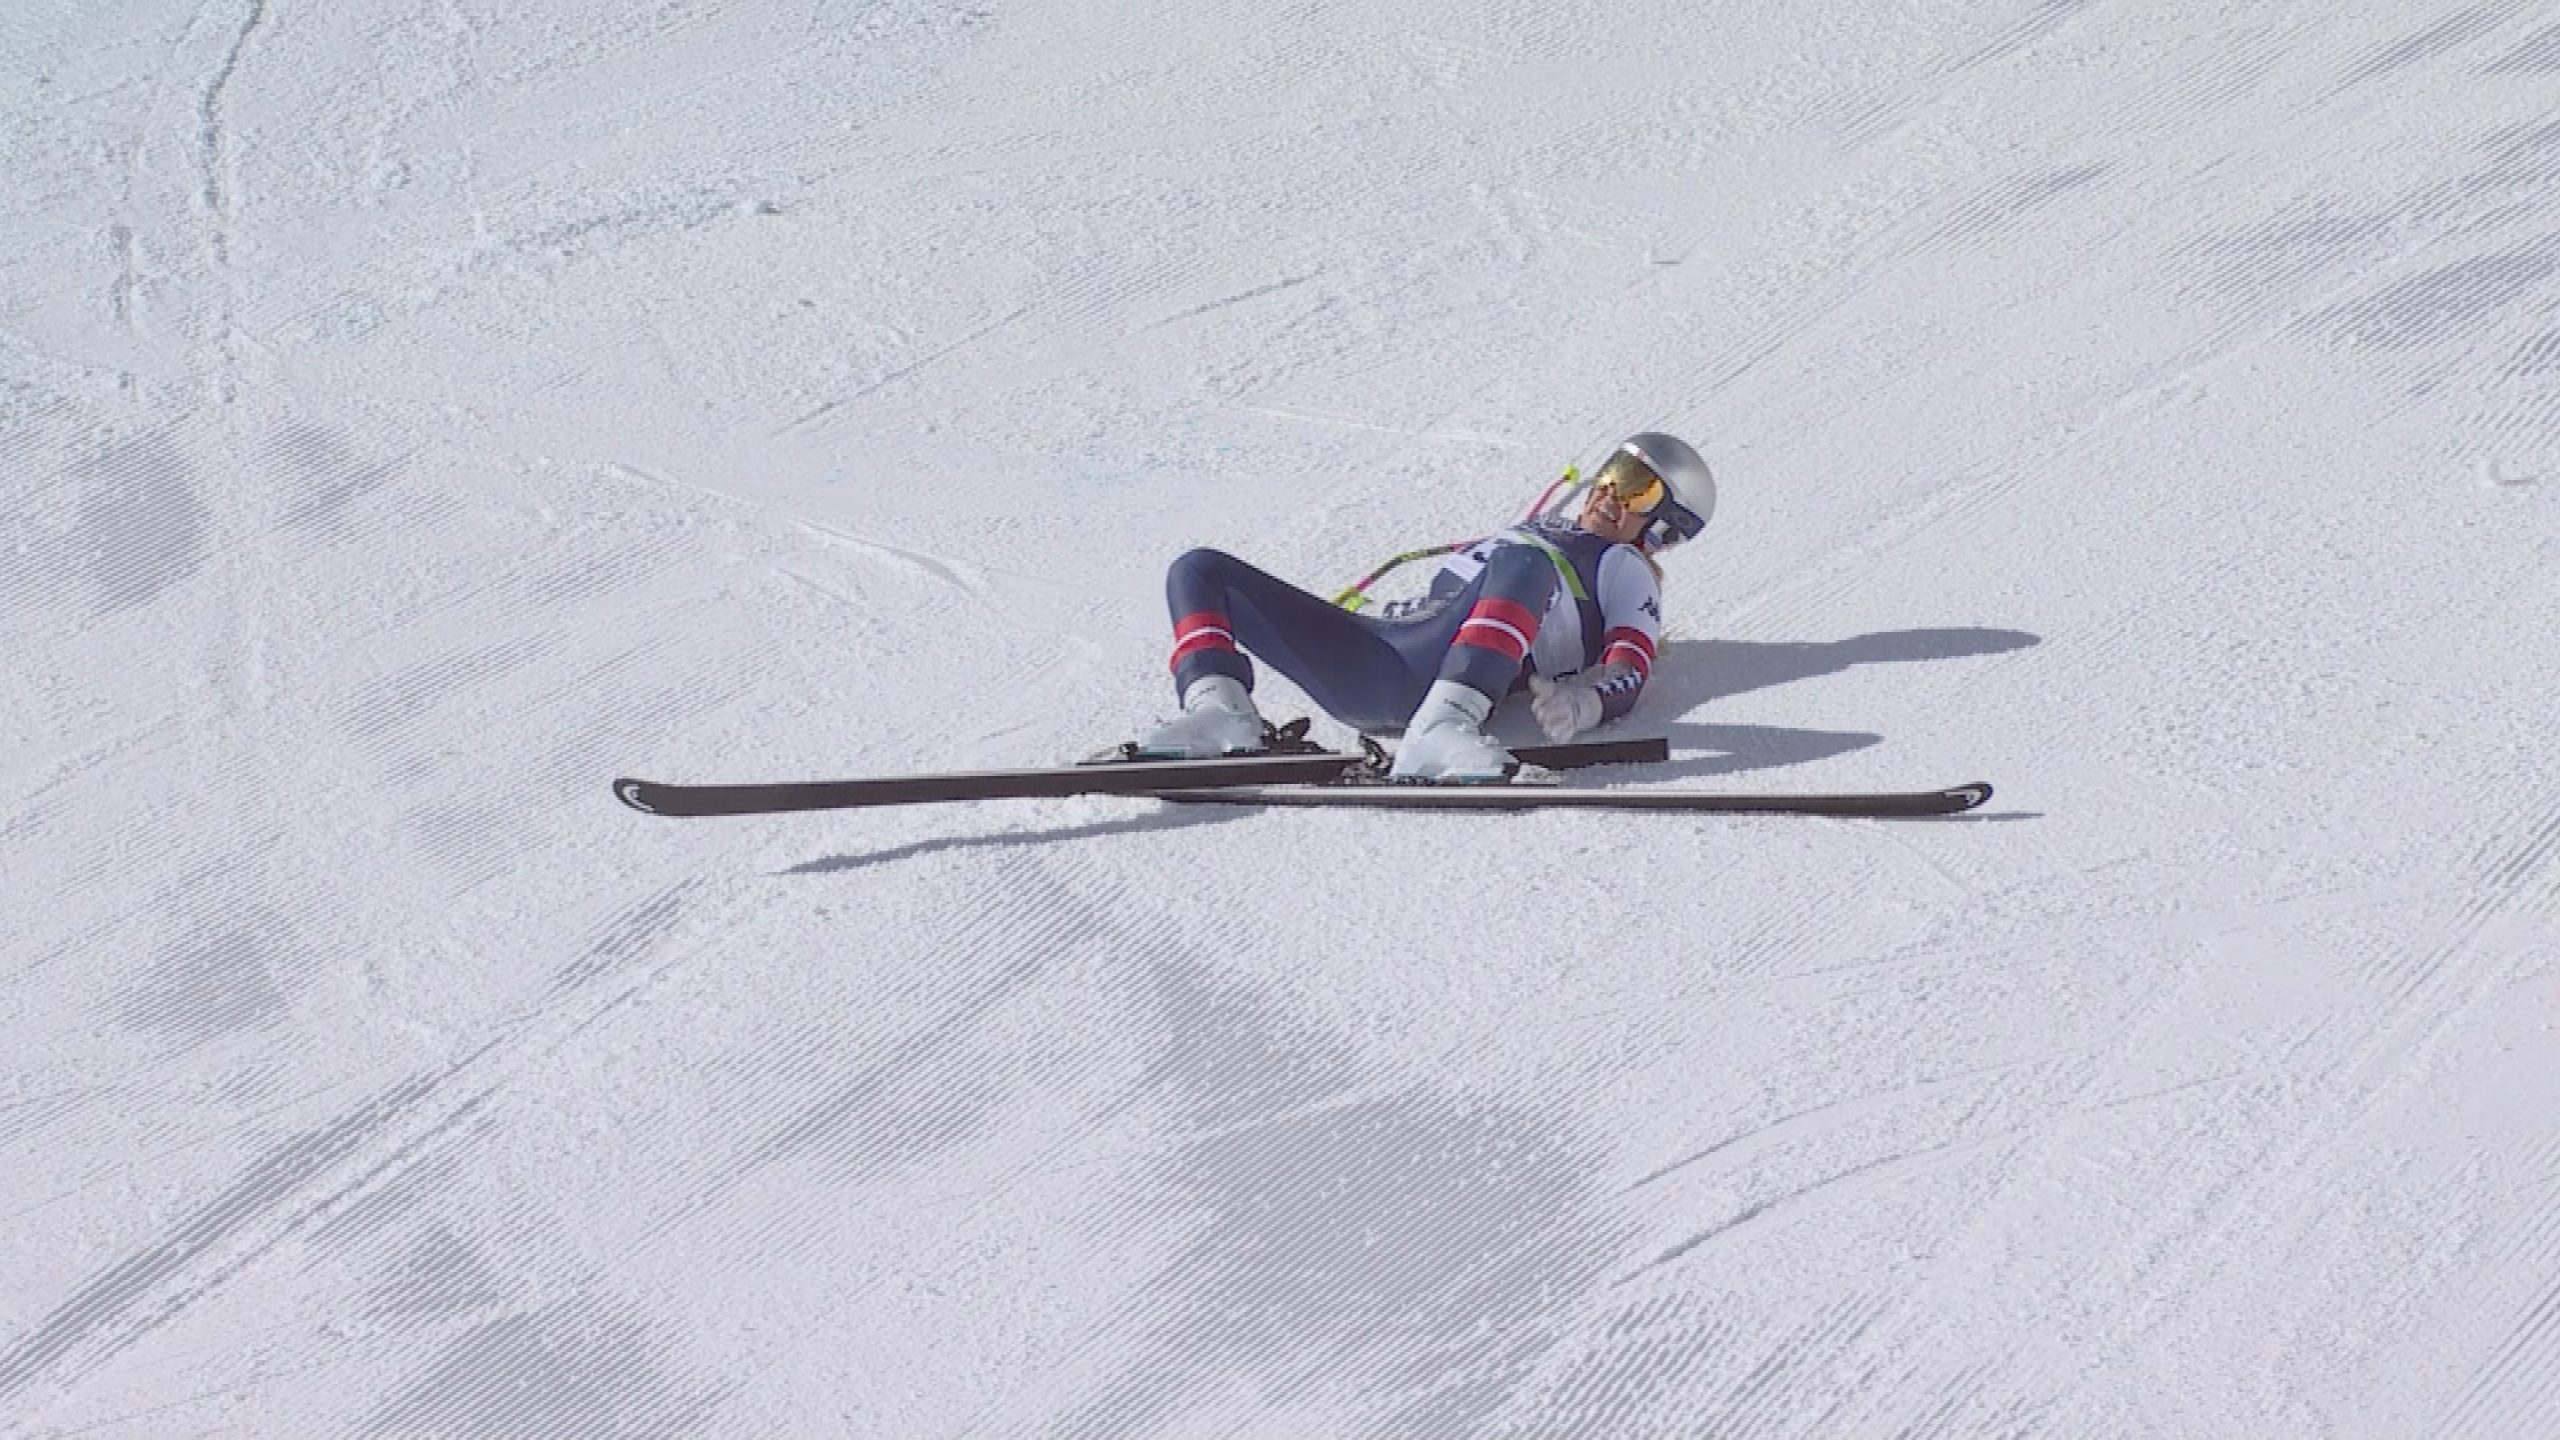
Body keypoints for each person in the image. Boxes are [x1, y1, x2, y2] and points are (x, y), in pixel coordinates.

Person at [1137, 431, 1714, 780]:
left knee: (1525, 563)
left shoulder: (1624, 568)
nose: (1610, 492)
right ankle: (1221, 714)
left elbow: (1631, 666)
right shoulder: (1538, 530)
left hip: (1442, 676)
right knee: (1199, 568)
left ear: (1663, 526)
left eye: (1638, 488)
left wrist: (1587, 702)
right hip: (1374, 656)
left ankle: (1444, 727)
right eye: (1613, 473)